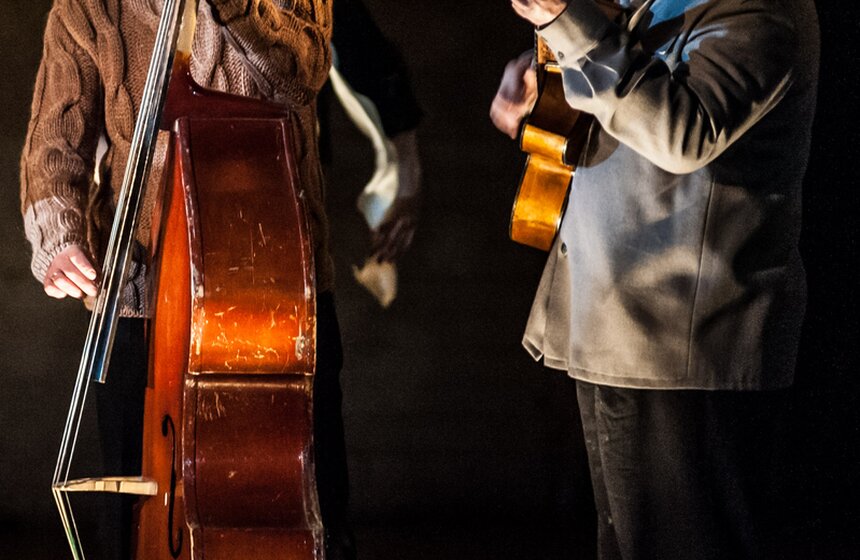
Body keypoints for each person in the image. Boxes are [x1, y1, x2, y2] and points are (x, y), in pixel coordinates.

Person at [18, 1, 411, 558]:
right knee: (131, 526)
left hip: (278, 293)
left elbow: (298, 74)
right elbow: (53, 143)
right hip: (138, 304)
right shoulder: (86, 7)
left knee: (305, 508)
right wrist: (58, 239)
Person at [491, 1, 819, 558]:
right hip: (619, 332)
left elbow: (680, 133)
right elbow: (625, 84)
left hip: (682, 352)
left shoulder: (764, 10)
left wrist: (568, 25)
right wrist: (542, 74)